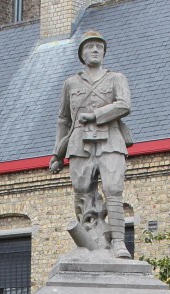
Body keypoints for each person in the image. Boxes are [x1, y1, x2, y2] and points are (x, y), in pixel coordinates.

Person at [50, 31, 133, 259]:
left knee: (113, 190)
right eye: (90, 47)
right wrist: (57, 154)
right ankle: (89, 240)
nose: (95, 50)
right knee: (81, 191)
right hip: (79, 143)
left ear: (104, 52)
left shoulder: (116, 78)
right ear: (82, 54)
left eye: (99, 47)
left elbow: (124, 105)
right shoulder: (70, 83)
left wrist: (96, 115)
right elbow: (63, 120)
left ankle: (117, 243)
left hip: (111, 140)